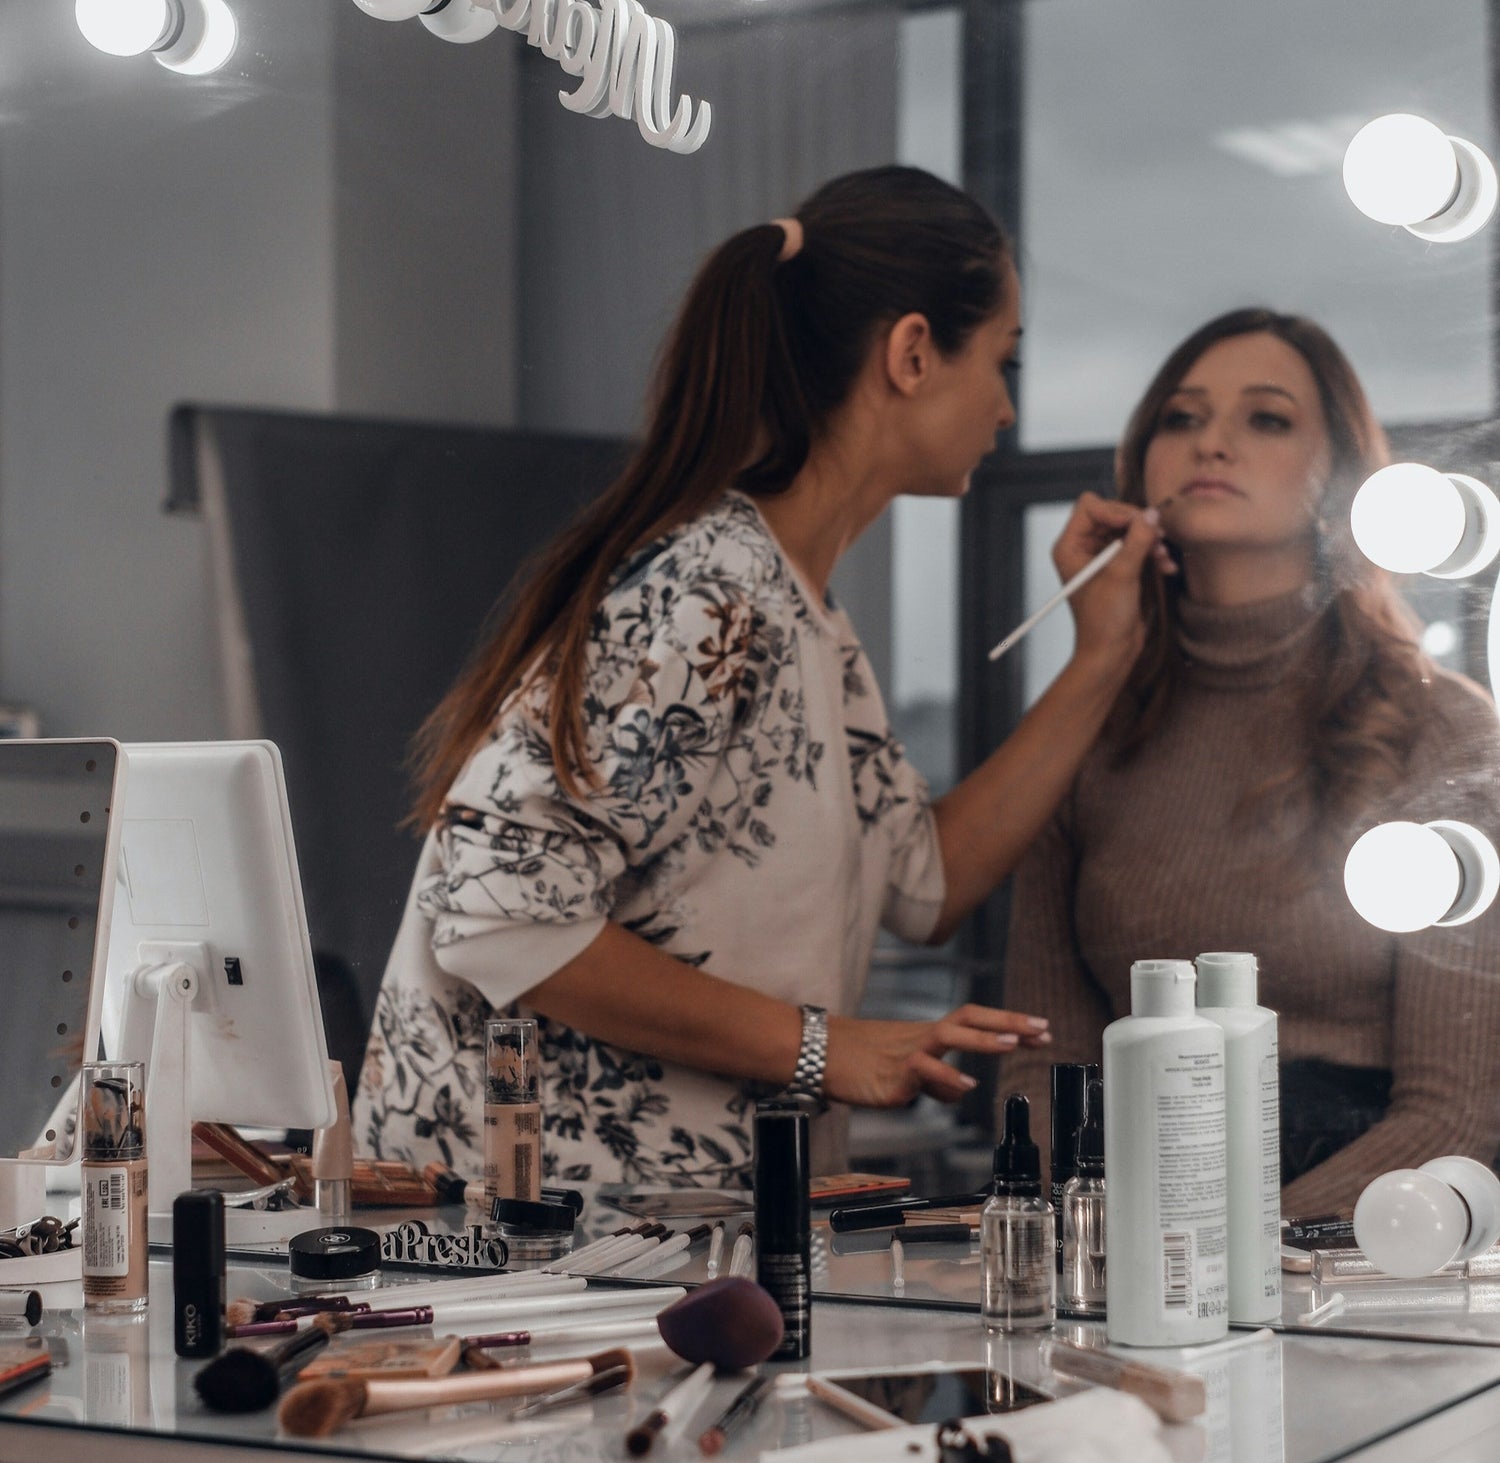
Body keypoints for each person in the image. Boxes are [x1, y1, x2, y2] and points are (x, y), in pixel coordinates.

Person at [351, 165, 1167, 1186]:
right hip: (549, 1251)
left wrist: (1105, 654)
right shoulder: (709, 594)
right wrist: (826, 1047)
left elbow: (925, 885)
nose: (1005, 407)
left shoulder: (806, 617)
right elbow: (497, 913)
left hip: (678, 1245)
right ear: (914, 353)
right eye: (1002, 360)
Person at [1000, 307, 1500, 1218]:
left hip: (1351, 1237)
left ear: (1339, 473)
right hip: (1114, 1228)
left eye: (1266, 418)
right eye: (1181, 418)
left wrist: (1242, 1261)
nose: (1213, 443)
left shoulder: (1443, 728)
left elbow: (1456, 1108)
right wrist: (1084, 1245)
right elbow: (1042, 1068)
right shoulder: (1082, 730)